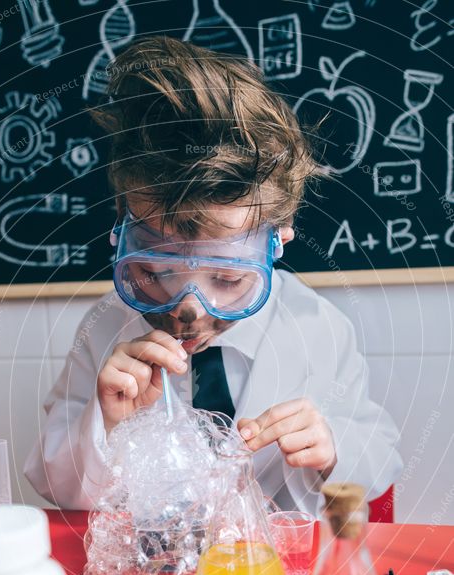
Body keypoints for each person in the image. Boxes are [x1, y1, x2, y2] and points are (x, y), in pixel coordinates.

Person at [24, 36, 402, 514]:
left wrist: (332, 445)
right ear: (122, 226)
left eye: (226, 279)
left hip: (273, 570)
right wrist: (106, 428)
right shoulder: (105, 327)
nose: (188, 310)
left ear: (277, 242)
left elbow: (381, 458)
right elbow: (52, 483)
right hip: (154, 570)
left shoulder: (317, 327)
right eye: (156, 271)